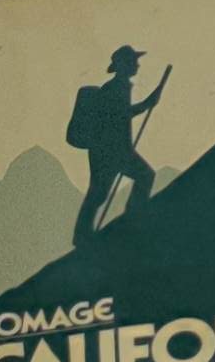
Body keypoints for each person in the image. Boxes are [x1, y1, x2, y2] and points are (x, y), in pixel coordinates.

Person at [63, 43, 169, 244]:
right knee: (102, 192)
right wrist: (147, 103)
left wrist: (146, 103)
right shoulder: (113, 88)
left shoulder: (121, 87)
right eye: (133, 61)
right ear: (124, 64)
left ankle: (127, 217)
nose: (137, 65)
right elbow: (120, 115)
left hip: (116, 150)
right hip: (110, 151)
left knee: (108, 189)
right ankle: (89, 232)